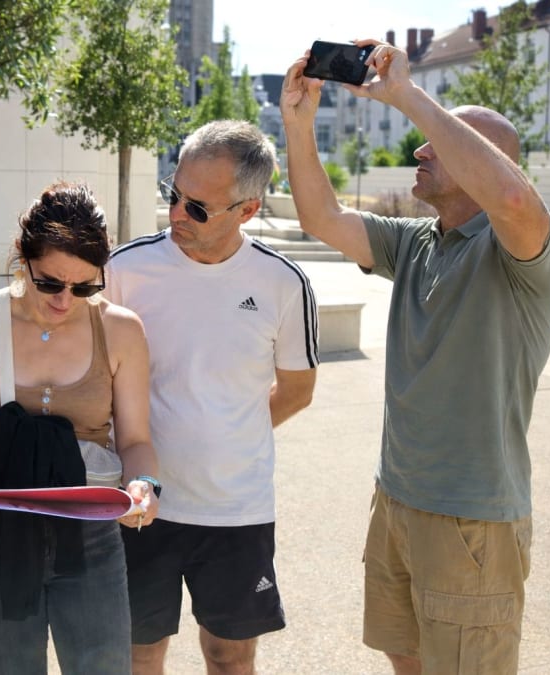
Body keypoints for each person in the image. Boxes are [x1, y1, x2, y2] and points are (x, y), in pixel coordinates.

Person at [281, 40, 550, 675]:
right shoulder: (417, 241)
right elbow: (322, 217)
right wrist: (298, 124)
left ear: (481, 161)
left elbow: (515, 201)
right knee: (405, 656)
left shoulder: (523, 251)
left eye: (441, 140)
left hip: (472, 519)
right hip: (398, 499)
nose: (419, 147)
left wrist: (407, 95)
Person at [106, 119, 320, 674]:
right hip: (139, 504)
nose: (177, 213)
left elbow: (297, 390)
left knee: (229, 656)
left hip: (236, 510)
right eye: (173, 195)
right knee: (139, 651)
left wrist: (229, 436)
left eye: (198, 207)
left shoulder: (282, 283)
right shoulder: (125, 271)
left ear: (247, 210)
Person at [0, 180, 160, 674]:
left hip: (91, 535)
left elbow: (137, 441)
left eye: (85, 286)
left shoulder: (121, 330)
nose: (65, 300)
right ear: (23, 258)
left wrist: (145, 486)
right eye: (50, 283)